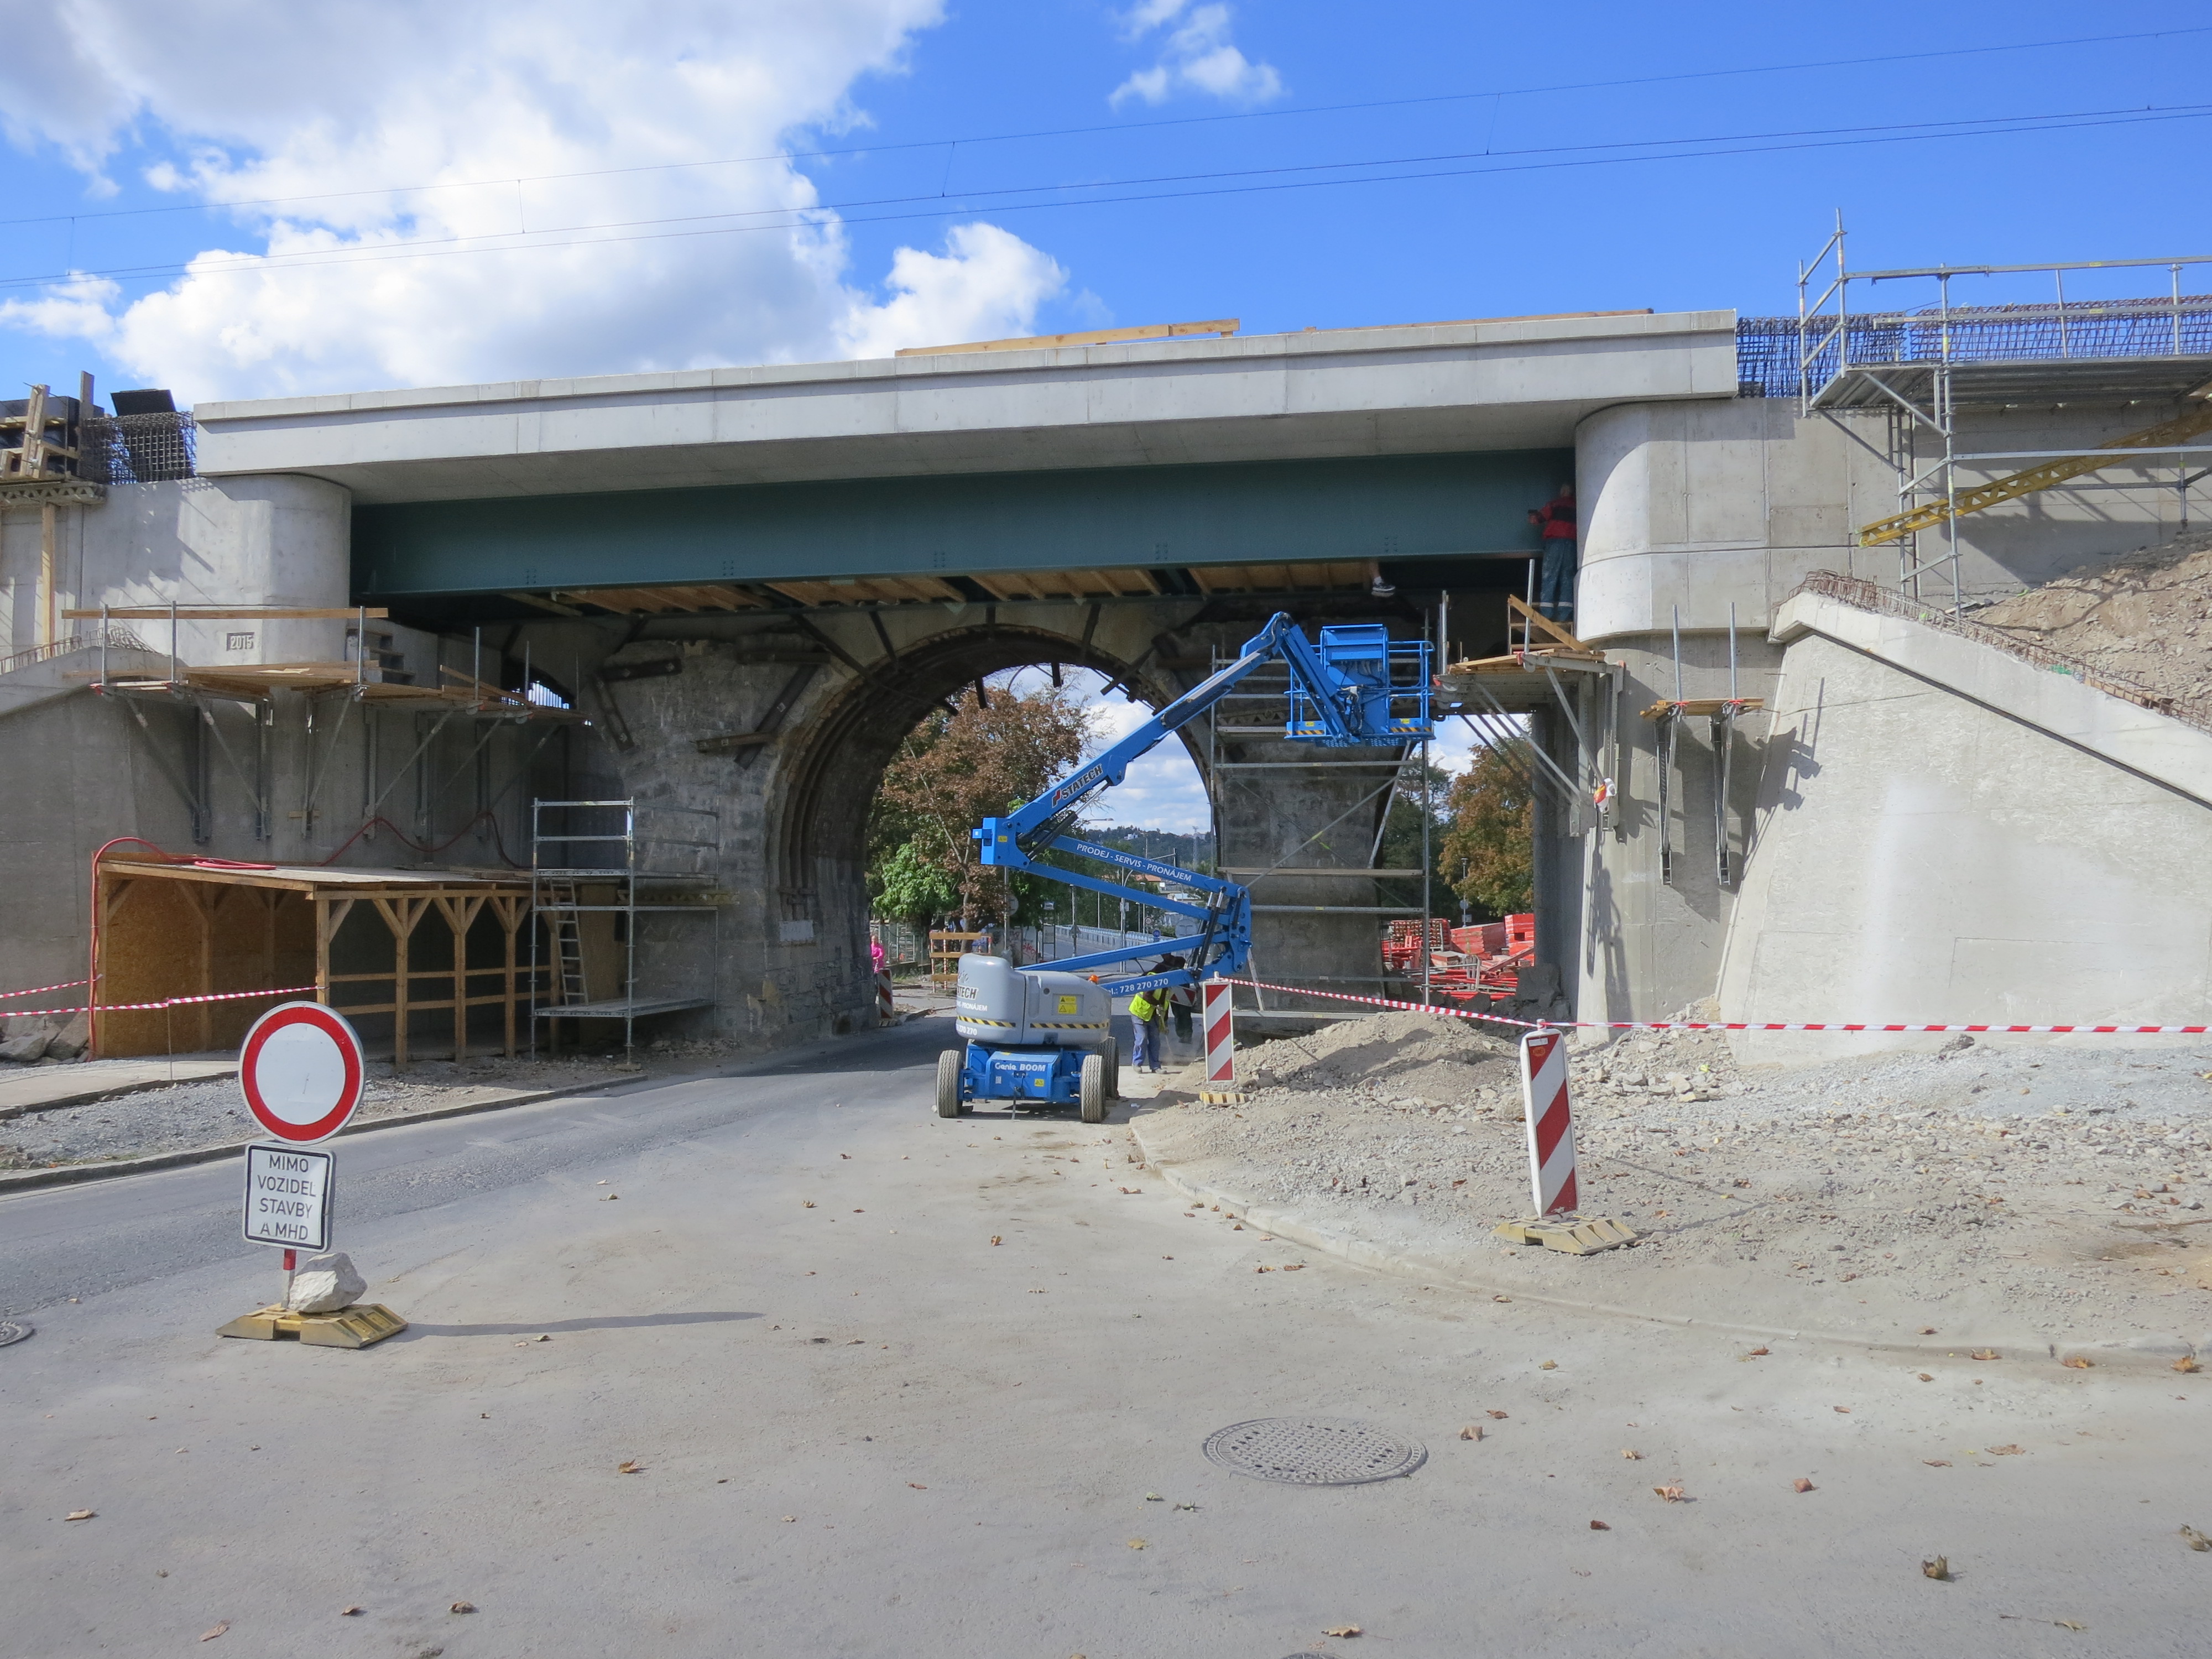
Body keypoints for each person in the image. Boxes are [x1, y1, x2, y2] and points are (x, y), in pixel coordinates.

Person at [1527, 483, 1578, 628]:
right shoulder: (1577, 507)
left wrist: (1533, 517)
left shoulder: (1555, 505)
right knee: (1567, 576)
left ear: (1564, 491)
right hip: (1572, 543)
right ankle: (1565, 613)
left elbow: (1537, 519)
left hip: (1555, 542)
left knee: (1550, 575)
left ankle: (1546, 613)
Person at [1127, 985, 1164, 1073]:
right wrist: (1157, 1004)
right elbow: (1147, 995)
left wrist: (1163, 1023)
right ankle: (1137, 1063)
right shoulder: (1154, 982)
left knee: (1155, 1041)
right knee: (1142, 1038)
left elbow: (1165, 1004)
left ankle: (1155, 1066)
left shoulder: (1167, 988)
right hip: (1139, 1012)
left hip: (1152, 1015)